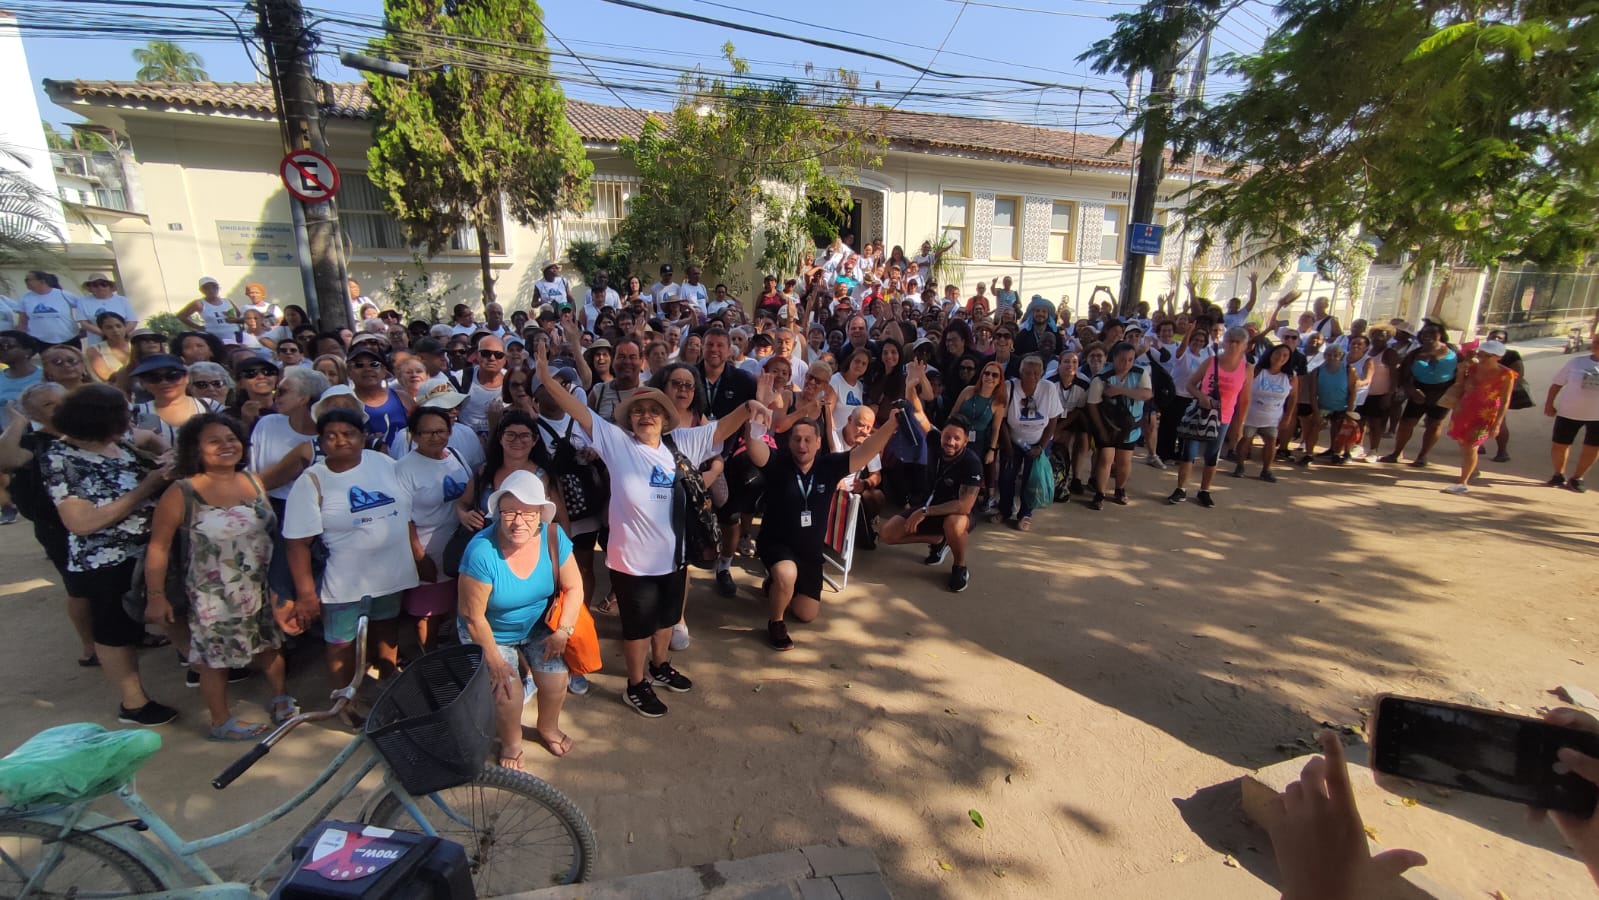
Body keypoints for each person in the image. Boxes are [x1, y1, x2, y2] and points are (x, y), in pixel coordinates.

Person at [534, 342, 757, 718]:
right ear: (629, 418)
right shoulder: (616, 441)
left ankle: (659, 666)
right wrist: (543, 376)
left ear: (666, 417)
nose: (646, 416)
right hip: (631, 561)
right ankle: (635, 685)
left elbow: (724, 427)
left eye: (654, 410)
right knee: (637, 628)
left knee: (667, 619)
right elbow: (578, 410)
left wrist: (751, 407)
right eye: (638, 411)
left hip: (672, 553)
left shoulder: (680, 442)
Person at [145, 413, 293, 739]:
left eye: (231, 439)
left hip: (262, 586)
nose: (226, 446)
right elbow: (158, 547)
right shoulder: (182, 492)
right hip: (214, 593)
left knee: (270, 646)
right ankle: (220, 720)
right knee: (215, 658)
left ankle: (280, 698)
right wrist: (156, 596)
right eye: (214, 441)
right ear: (195, 449)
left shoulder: (253, 482)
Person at [43, 384, 178, 725]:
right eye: (122, 414)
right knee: (114, 630)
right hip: (105, 560)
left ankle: (196, 663)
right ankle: (133, 702)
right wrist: (146, 487)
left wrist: (167, 454)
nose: (128, 420)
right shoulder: (62, 459)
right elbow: (81, 522)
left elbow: (147, 439)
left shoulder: (116, 441)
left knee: (172, 608)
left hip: (148, 551)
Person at [282, 408, 424, 721]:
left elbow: (407, 512)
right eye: (331, 435)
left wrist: (416, 551)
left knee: (387, 627)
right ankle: (346, 702)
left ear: (363, 436)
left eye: (349, 433)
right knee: (340, 643)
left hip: (392, 573)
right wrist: (306, 594)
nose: (340, 441)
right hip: (344, 583)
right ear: (320, 441)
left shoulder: (384, 463)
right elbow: (297, 543)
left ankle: (388, 682)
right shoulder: (313, 482)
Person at [745, 387, 899, 650]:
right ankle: (776, 621)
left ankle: (779, 587)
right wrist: (760, 408)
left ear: (818, 442)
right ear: (789, 442)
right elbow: (755, 448)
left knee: (806, 614)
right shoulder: (779, 463)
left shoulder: (829, 465)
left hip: (810, 554)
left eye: (808, 440)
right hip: (777, 544)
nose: (802, 445)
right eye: (796, 439)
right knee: (786, 572)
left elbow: (868, 450)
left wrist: (891, 425)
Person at [457, 470, 585, 765]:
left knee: (555, 680)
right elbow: (473, 617)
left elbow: (574, 586)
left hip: (537, 625)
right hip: (490, 631)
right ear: (498, 513)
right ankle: (512, 743)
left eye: (527, 514)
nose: (518, 522)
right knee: (506, 691)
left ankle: (547, 727)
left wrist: (562, 631)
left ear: (541, 513)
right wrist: (495, 660)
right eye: (510, 512)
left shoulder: (554, 536)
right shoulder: (481, 552)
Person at [0, 383, 95, 661]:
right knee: (78, 587)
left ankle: (131, 634)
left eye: (62, 400)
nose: (60, 407)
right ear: (34, 414)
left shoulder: (91, 433)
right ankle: (90, 646)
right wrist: (18, 422)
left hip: (104, 521)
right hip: (58, 527)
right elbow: (5, 458)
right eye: (48, 405)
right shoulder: (34, 443)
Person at [879, 362, 981, 593]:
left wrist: (924, 512)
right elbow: (918, 413)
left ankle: (959, 565)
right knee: (887, 534)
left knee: (954, 523)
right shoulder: (935, 439)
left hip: (954, 513)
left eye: (957, 439)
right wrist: (912, 384)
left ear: (965, 441)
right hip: (927, 505)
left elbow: (964, 505)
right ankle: (936, 540)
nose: (950, 442)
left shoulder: (971, 462)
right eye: (947, 436)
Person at [395, 405, 475, 653]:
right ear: (415, 435)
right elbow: (402, 518)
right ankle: (429, 660)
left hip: (459, 548)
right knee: (427, 614)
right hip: (427, 550)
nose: (435, 437)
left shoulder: (456, 456)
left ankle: (453, 653)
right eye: (427, 432)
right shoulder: (404, 468)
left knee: (456, 607)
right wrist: (418, 556)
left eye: (440, 431)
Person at [1168, 327, 1252, 507]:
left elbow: (1244, 399)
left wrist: (1240, 425)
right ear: (1224, 341)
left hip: (1224, 416)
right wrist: (1201, 397)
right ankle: (1181, 488)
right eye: (1230, 340)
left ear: (1245, 346)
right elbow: (1190, 384)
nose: (1233, 345)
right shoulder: (1211, 362)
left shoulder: (1246, 369)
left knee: (1212, 455)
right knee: (1188, 452)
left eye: (1238, 342)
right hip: (1201, 413)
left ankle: (1204, 490)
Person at [1440, 339, 1516, 495]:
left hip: (1485, 414)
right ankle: (1470, 470)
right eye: (1480, 354)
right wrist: (1461, 372)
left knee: (1471, 445)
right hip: (1465, 409)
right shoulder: (1473, 368)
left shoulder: (1506, 375)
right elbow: (1461, 385)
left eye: (1486, 355)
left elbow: (1505, 400)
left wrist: (1498, 423)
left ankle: (1463, 482)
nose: (1481, 357)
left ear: (1498, 357)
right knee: (1464, 444)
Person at [1085, 342, 1153, 511]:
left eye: (1130, 360)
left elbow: (1146, 394)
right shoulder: (1101, 378)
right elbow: (1092, 405)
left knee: (1124, 460)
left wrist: (1121, 391)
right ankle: (1100, 493)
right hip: (1108, 426)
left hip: (1130, 427)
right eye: (1122, 360)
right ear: (1113, 358)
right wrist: (1100, 429)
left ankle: (1120, 489)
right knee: (1105, 459)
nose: (1126, 364)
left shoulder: (1140, 373)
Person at [996, 356, 1062, 529]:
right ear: (1020, 372)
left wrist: (1041, 446)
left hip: (1040, 439)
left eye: (1035, 373)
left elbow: (1053, 420)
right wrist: (1008, 446)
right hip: (1013, 440)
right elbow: (1001, 420)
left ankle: (1025, 513)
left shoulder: (1048, 388)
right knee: (1006, 476)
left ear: (1041, 374)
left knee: (1032, 479)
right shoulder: (1010, 387)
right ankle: (1005, 510)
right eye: (1027, 372)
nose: (1031, 376)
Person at [1380, 323, 1457, 467]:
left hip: (1442, 393)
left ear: (1441, 334)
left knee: (1434, 424)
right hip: (1419, 392)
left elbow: (1461, 373)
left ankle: (1422, 456)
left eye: (1432, 333)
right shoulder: (1415, 354)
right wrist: (1412, 391)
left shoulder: (1453, 351)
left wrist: (1450, 393)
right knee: (1406, 423)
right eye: (1424, 333)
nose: (1427, 336)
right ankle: (1397, 453)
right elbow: (1403, 375)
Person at [1234, 343, 1297, 482]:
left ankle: (1266, 470)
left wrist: (1288, 416)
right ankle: (1240, 465)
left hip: (1273, 416)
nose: (1280, 357)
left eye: (1285, 355)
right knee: (1246, 439)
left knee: (1271, 441)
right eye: (1277, 354)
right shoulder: (1258, 370)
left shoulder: (1290, 376)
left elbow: (1293, 398)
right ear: (1270, 354)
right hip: (1252, 413)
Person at [130, 355, 225, 446]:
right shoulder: (135, 413)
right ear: (143, 384)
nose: (164, 382)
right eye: (154, 378)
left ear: (187, 378)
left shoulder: (210, 406)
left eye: (173, 376)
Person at [1546, 330, 1599, 493]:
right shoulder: (1576, 362)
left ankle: (1578, 478)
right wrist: (1549, 404)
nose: (1596, 345)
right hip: (1569, 412)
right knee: (1560, 445)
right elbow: (1557, 384)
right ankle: (1558, 474)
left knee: (1592, 447)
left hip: (1596, 416)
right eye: (1596, 342)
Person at [16, 271, 82, 346]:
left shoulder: (64, 294)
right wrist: (21, 339)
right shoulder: (25, 298)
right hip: (38, 341)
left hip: (69, 338)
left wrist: (85, 326)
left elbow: (83, 307)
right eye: (25, 280)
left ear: (42, 281)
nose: (26, 282)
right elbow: (22, 322)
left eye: (28, 280)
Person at [75, 273, 138, 347]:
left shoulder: (122, 300)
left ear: (110, 286)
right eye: (95, 285)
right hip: (97, 342)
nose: (100, 287)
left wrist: (120, 334)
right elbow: (84, 323)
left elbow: (132, 321)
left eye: (103, 284)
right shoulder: (83, 301)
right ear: (90, 288)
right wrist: (106, 334)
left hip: (122, 341)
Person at [177, 277, 242, 344]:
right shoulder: (199, 303)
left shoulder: (227, 301)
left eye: (214, 287)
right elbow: (181, 316)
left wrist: (233, 318)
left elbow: (239, 315)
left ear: (218, 288)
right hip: (215, 339)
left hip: (235, 337)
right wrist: (198, 327)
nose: (211, 290)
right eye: (206, 288)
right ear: (201, 290)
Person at [86, 311, 133, 382]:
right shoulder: (94, 350)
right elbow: (107, 377)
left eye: (118, 326)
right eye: (109, 328)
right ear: (102, 330)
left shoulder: (136, 344)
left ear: (124, 327)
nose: (115, 330)